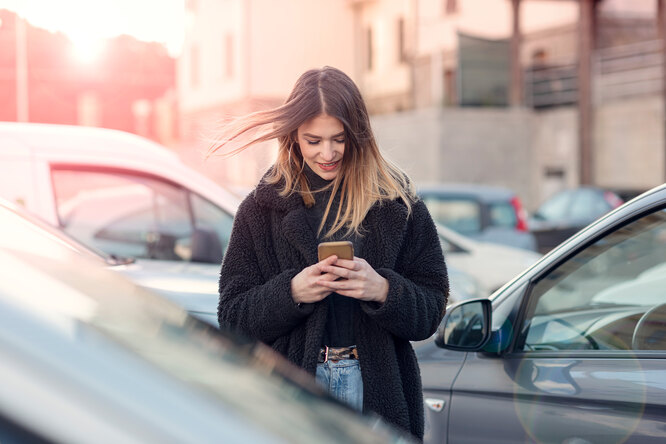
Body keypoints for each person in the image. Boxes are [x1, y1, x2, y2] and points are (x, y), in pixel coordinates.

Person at [213, 66, 448, 440]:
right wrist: (291, 293)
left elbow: (431, 311)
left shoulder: (396, 202)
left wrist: (383, 290)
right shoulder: (260, 209)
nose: (328, 153)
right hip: (293, 393)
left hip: (378, 390)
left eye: (339, 139)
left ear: (359, 134)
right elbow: (232, 319)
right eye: (313, 140)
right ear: (293, 138)